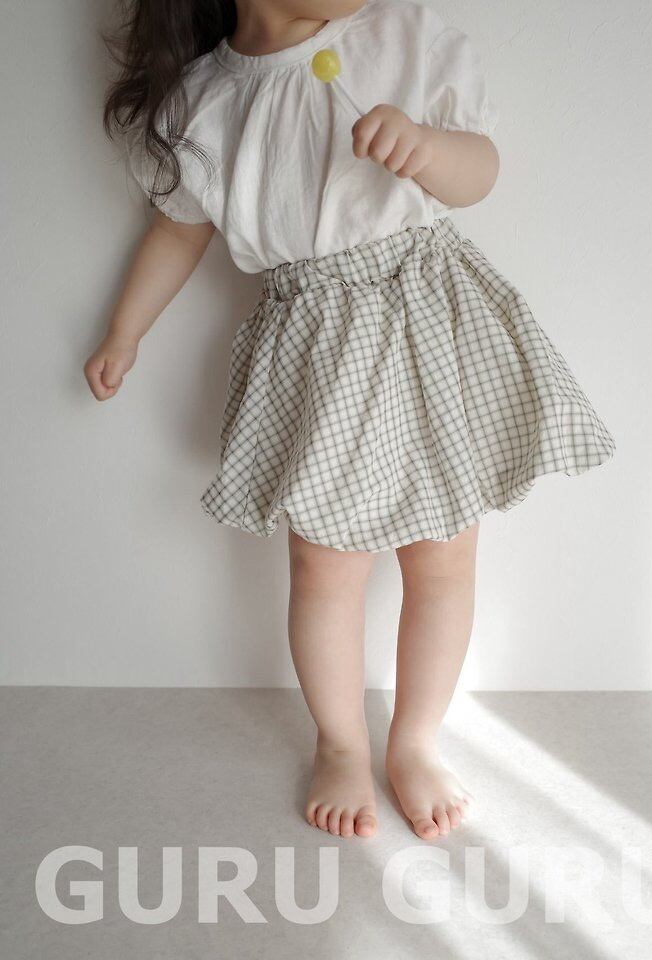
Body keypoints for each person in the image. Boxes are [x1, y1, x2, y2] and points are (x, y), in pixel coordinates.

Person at [85, 0, 616, 840]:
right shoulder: (204, 99)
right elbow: (178, 232)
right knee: (324, 564)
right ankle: (339, 740)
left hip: (426, 320)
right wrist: (125, 330)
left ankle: (416, 739)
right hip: (319, 347)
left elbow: (480, 170)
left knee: (445, 553)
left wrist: (429, 150)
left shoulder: (401, 36)